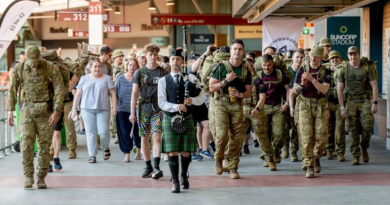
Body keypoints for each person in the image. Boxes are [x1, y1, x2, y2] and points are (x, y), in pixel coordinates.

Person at [7, 45, 64, 189]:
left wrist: (57, 111)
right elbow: (12, 89)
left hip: (46, 110)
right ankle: (28, 176)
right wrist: (10, 112)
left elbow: (59, 88)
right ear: (26, 58)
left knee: (44, 146)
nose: (33, 65)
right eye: (30, 62)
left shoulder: (49, 67)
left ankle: (41, 177)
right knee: (26, 144)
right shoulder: (18, 69)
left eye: (35, 62)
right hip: (27, 109)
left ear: (39, 58)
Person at [158, 48, 206, 193]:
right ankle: (176, 181)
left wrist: (193, 100)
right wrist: (176, 106)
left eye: (178, 59)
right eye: (172, 59)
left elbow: (202, 97)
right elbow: (161, 102)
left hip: (187, 118)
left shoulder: (190, 78)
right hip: (170, 118)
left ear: (182, 62)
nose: (175, 62)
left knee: (186, 152)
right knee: (172, 151)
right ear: (169, 61)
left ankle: (184, 175)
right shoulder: (163, 80)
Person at [209, 39, 252, 179]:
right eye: (235, 49)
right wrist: (226, 81)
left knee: (237, 137)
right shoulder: (221, 67)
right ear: (231, 51)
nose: (237, 51)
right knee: (222, 135)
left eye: (240, 49)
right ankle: (218, 159)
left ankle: (233, 166)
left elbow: (249, 92)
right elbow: (211, 87)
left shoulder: (245, 70)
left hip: (237, 104)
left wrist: (240, 94)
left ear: (243, 52)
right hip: (221, 103)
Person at [130, 44, 168, 179]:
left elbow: (168, 92)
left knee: (157, 136)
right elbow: (134, 93)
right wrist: (132, 112)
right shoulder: (139, 73)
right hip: (143, 108)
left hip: (158, 108)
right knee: (144, 137)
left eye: (155, 55)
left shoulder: (163, 72)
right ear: (145, 56)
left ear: (158, 56)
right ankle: (148, 166)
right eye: (150, 55)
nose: (152, 57)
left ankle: (157, 166)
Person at [293, 45, 331, 178]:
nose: (313, 59)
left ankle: (316, 157)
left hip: (320, 105)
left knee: (321, 137)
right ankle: (309, 165)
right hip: (305, 105)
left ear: (322, 58)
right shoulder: (302, 69)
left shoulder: (326, 71)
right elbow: (295, 91)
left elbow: (324, 90)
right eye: (311, 56)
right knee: (306, 137)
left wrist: (312, 79)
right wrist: (302, 84)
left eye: (316, 56)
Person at [69, 59, 117, 163]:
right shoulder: (84, 78)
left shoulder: (107, 78)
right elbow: (78, 94)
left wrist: (114, 107)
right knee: (90, 132)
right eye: (95, 66)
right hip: (86, 109)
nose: (97, 69)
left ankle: (105, 147)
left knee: (103, 132)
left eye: (99, 66)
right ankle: (92, 155)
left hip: (103, 109)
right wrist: (74, 109)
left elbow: (113, 94)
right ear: (90, 68)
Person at [337, 46, 378, 165]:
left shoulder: (367, 68)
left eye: (355, 54)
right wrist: (342, 107)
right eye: (350, 54)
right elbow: (340, 89)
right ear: (348, 55)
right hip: (350, 101)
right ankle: (355, 155)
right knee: (352, 129)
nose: (353, 56)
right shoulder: (343, 69)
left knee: (367, 125)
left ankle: (364, 147)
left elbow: (374, 86)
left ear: (358, 54)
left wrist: (374, 103)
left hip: (364, 100)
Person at [242, 58, 276, 171]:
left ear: (252, 67)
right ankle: (230, 160)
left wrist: (257, 108)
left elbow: (262, 97)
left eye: (249, 67)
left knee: (262, 135)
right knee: (236, 136)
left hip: (256, 110)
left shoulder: (257, 80)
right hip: (242, 110)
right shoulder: (239, 80)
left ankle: (270, 159)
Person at [259, 54, 290, 164]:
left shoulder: (279, 74)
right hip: (263, 107)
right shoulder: (258, 76)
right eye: (264, 65)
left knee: (279, 132)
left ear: (273, 64)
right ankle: (268, 155)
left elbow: (288, 90)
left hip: (278, 106)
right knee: (264, 133)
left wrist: (287, 103)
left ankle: (276, 150)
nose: (267, 68)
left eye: (269, 65)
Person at [116, 59, 141, 162]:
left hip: (137, 109)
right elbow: (116, 93)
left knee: (138, 131)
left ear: (137, 67)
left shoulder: (139, 78)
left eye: (134, 65)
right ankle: (127, 154)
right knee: (125, 132)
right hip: (122, 109)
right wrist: (114, 107)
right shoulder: (120, 78)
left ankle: (139, 151)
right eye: (130, 65)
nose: (132, 67)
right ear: (127, 66)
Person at [325, 50, 346, 161]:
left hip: (339, 103)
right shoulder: (325, 71)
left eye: (337, 58)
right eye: (332, 58)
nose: (334, 60)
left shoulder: (344, 70)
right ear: (329, 60)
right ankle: (329, 150)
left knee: (340, 129)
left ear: (340, 59)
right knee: (329, 128)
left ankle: (340, 152)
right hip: (328, 103)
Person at [287, 49, 305, 162]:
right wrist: (288, 105)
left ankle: (294, 151)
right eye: (297, 57)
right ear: (292, 58)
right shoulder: (287, 72)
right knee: (285, 129)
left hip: (301, 103)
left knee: (296, 128)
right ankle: (284, 147)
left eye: (301, 57)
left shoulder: (304, 71)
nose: (299, 59)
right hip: (286, 102)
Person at [110, 50, 125, 144]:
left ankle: (119, 133)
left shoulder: (124, 69)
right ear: (114, 57)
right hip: (112, 93)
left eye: (122, 56)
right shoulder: (110, 68)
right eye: (119, 56)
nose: (121, 58)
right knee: (113, 114)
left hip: (122, 93)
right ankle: (115, 133)